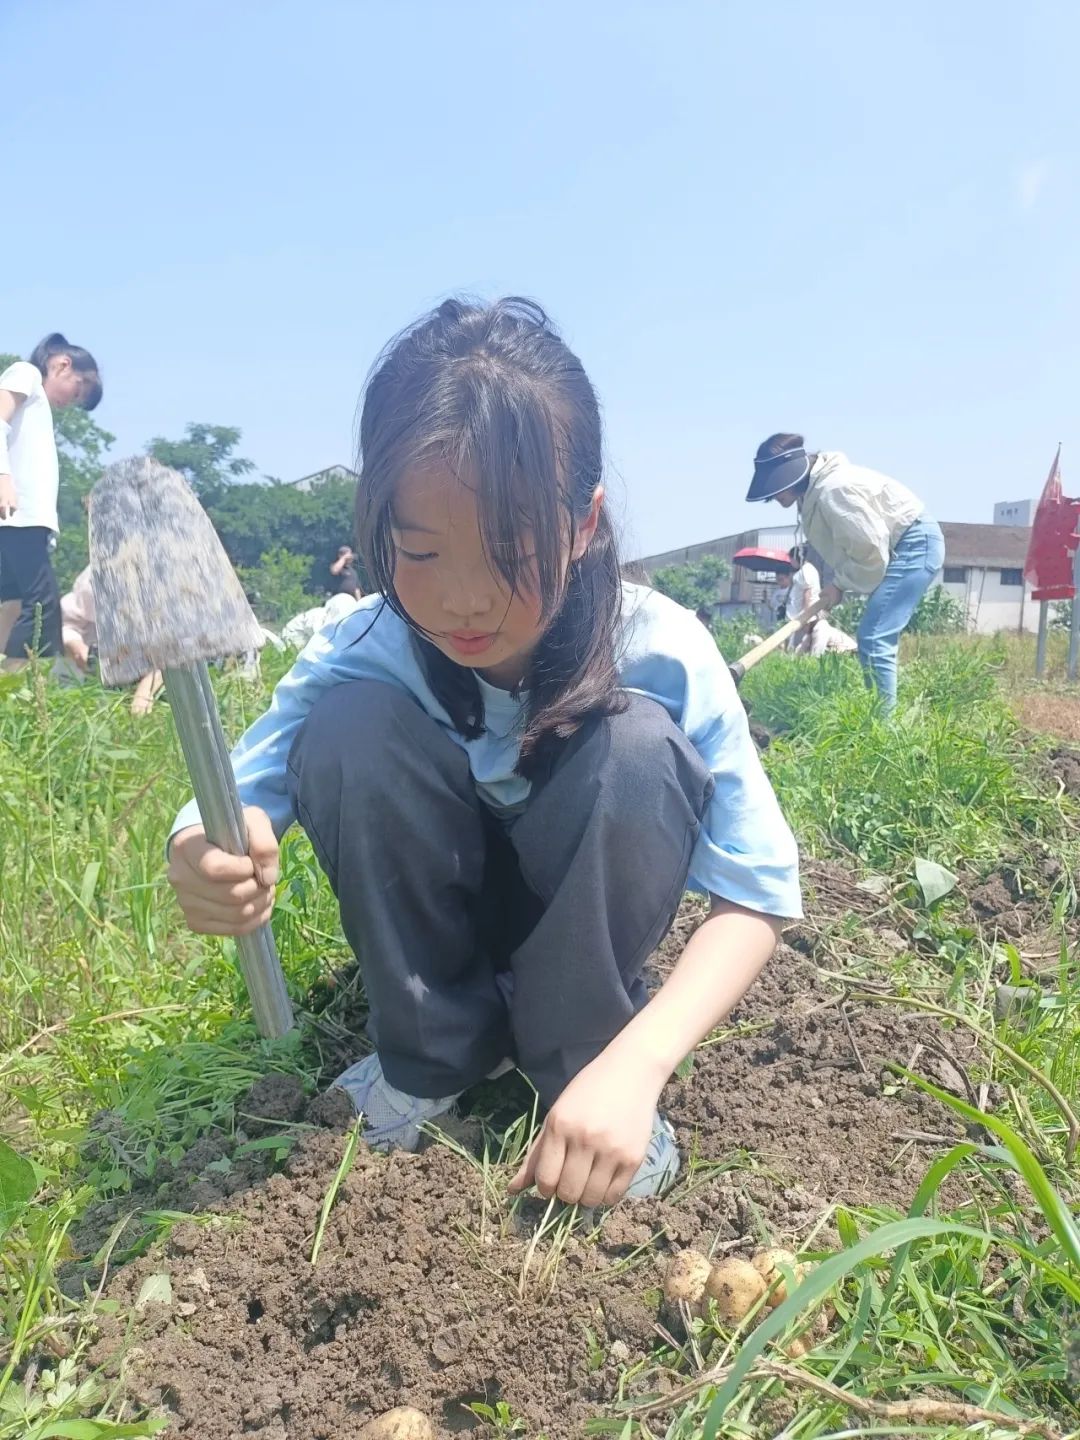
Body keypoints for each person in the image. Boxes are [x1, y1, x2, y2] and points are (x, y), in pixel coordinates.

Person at [167, 298, 801, 1208]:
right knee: (346, 729)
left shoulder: (660, 647)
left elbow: (756, 891)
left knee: (633, 748)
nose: (461, 601)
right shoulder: (366, 641)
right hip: (437, 905)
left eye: (508, 554)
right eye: (418, 554)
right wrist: (206, 849)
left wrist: (638, 1065)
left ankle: (578, 1064)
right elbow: (240, 792)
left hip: (583, 911)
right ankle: (431, 1061)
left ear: (584, 525)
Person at [746, 434, 945, 708]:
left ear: (789, 476)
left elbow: (870, 551)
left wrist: (839, 585)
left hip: (913, 544)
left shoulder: (833, 491)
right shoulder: (812, 495)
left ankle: (882, 730)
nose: (774, 498)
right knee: (872, 635)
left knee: (874, 636)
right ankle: (877, 716)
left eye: (775, 490)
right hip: (899, 545)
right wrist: (839, 584)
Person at [0, 335, 102, 667]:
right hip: (17, 515)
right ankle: (12, 686)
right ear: (62, 365)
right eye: (76, 391)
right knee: (42, 605)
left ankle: (8, 686)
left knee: (13, 600)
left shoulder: (38, 409)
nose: (71, 403)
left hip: (25, 520)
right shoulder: (25, 373)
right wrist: (3, 479)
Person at [57, 563, 165, 714]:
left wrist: (145, 692)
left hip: (151, 666)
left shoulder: (170, 581)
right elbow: (68, 623)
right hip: (90, 666)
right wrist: (78, 648)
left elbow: (178, 649)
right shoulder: (94, 578)